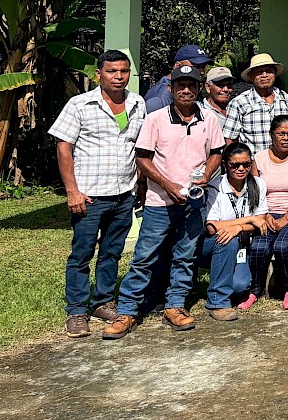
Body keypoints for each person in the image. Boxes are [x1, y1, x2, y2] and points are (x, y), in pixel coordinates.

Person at [102, 65, 224, 339]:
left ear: (199, 88)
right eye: (180, 85)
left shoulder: (209, 119)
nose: (186, 90)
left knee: (185, 256)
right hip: (160, 202)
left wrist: (206, 174)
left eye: (191, 85)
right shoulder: (155, 119)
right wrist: (167, 186)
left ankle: (175, 306)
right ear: (171, 89)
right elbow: (142, 158)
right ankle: (128, 311)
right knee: (144, 257)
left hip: (193, 202)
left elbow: (216, 152)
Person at [50, 50, 147, 338]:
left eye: (123, 71)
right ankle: (77, 311)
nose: (118, 77)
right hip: (89, 196)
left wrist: (139, 185)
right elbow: (63, 147)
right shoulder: (80, 105)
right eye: (111, 71)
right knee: (82, 253)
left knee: (112, 252)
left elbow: (139, 148)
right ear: (98, 75)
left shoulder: (137, 103)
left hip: (123, 192)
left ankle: (103, 301)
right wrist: (72, 191)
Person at [198, 143, 270, 321]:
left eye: (246, 164)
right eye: (234, 165)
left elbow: (260, 222)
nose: (241, 169)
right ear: (225, 165)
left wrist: (238, 227)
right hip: (212, 244)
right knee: (227, 238)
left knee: (239, 287)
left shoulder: (258, 184)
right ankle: (217, 301)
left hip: (240, 245)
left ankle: (224, 284)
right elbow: (211, 227)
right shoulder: (215, 187)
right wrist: (248, 220)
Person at [249, 115, 288, 310]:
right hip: (266, 213)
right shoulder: (259, 158)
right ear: (272, 135)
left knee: (283, 246)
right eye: (281, 134)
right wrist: (265, 214)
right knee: (258, 248)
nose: (285, 138)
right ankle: (255, 290)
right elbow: (255, 191)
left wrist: (286, 217)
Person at [223, 53, 288, 155]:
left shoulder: (285, 99)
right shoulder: (239, 103)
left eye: (269, 71)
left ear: (274, 74)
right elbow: (230, 139)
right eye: (259, 72)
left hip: (283, 163)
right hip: (253, 165)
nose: (264, 75)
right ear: (251, 76)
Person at [144, 45, 212, 114]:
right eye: (196, 67)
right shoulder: (160, 99)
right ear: (178, 66)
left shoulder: (194, 89)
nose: (202, 72)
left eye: (203, 67)